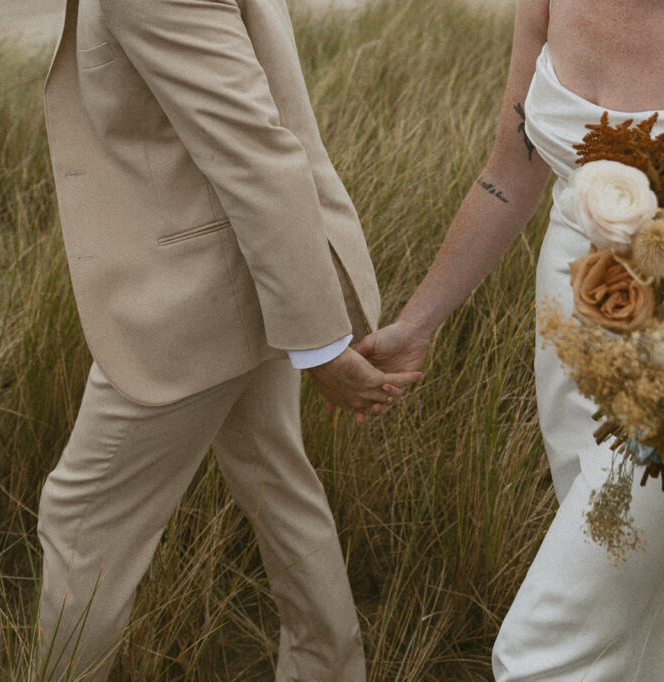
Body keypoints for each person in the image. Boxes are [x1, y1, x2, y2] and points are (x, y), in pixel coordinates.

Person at [357, 0, 664, 678]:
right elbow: (512, 170)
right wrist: (418, 324)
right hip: (570, 333)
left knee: (545, 648)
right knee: (656, 603)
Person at [37, 0, 420, 679]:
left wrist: (322, 346)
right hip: (253, 275)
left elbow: (255, 151)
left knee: (80, 518)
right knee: (277, 483)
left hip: (197, 298)